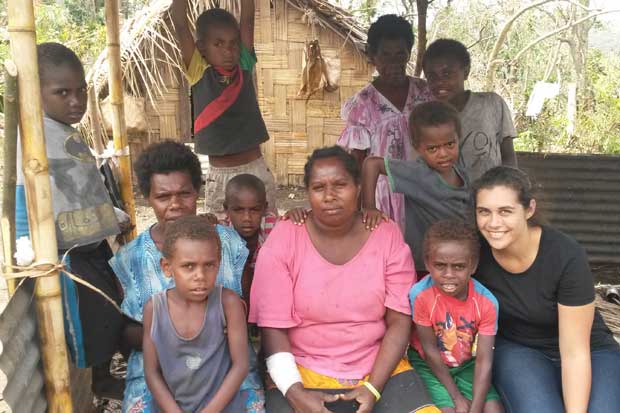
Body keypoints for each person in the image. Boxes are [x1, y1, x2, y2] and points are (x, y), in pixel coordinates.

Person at [249, 146, 440, 413]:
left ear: (359, 187)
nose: (330, 196)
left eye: (340, 185)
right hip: (301, 372)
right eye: (319, 188)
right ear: (308, 193)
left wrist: (373, 387)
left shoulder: (386, 235)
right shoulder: (285, 237)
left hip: (379, 371)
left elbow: (399, 320)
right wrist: (295, 393)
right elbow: (273, 327)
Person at [109, 141, 264, 413]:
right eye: (163, 196)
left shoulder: (229, 243)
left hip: (226, 365)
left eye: (185, 193)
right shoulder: (130, 259)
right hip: (159, 367)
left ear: (198, 192)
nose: (176, 205)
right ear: (148, 197)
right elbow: (125, 333)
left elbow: (248, 305)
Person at [14, 42, 124, 400]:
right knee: (87, 318)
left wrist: (113, 217)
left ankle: (105, 374)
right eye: (62, 92)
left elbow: (85, 186)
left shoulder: (64, 129)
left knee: (111, 302)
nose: (75, 101)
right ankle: (100, 381)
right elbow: (21, 193)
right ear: (36, 92)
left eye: (81, 91)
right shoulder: (33, 136)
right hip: (66, 254)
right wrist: (23, 240)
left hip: (91, 244)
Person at [472, 166, 620, 413]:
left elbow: (574, 352)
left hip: (588, 350)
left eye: (506, 211)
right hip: (520, 348)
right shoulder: (475, 253)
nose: (493, 223)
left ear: (529, 209)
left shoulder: (565, 255)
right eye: (484, 212)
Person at [171, 0, 276, 216]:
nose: (228, 51)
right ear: (201, 48)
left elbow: (247, 17)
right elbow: (180, 24)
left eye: (233, 43)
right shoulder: (198, 71)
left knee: (268, 236)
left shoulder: (244, 65)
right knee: (219, 241)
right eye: (218, 44)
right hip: (220, 176)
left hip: (255, 169)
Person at [143, 215, 248, 412]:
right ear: (167, 267)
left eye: (209, 265)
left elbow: (241, 366)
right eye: (188, 266)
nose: (200, 276)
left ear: (218, 263)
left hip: (223, 407)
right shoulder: (154, 309)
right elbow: (151, 372)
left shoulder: (228, 304)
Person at [337, 14, 433, 231]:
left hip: (424, 188)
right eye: (385, 55)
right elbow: (357, 162)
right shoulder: (362, 105)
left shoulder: (425, 93)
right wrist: (359, 208)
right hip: (382, 198)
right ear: (372, 56)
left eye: (400, 54)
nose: (394, 62)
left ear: (409, 53)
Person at [362, 101, 470, 274]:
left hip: (458, 260)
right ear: (417, 146)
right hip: (427, 265)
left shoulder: (460, 170)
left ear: (458, 138)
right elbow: (371, 163)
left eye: (450, 144)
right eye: (433, 148)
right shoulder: (418, 173)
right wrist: (368, 207)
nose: (443, 153)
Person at [408, 220, 503, 413]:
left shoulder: (486, 302)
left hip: (466, 365)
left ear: (473, 266)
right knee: (450, 410)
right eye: (440, 265)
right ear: (427, 263)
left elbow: (484, 361)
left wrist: (475, 409)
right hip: (429, 365)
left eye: (459, 267)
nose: (449, 274)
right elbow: (429, 350)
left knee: (494, 409)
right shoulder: (420, 295)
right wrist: (457, 398)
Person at [422, 39, 517, 181]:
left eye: (447, 74)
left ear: (466, 72)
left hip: (490, 197)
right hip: (446, 200)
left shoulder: (491, 104)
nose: (439, 82)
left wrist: (509, 187)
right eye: (432, 76)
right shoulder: (425, 117)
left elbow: (508, 155)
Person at [222, 173, 278, 308]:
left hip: (270, 299)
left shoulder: (275, 227)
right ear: (226, 210)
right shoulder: (220, 233)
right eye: (238, 210)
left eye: (254, 210)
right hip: (233, 303)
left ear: (265, 208)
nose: (247, 218)